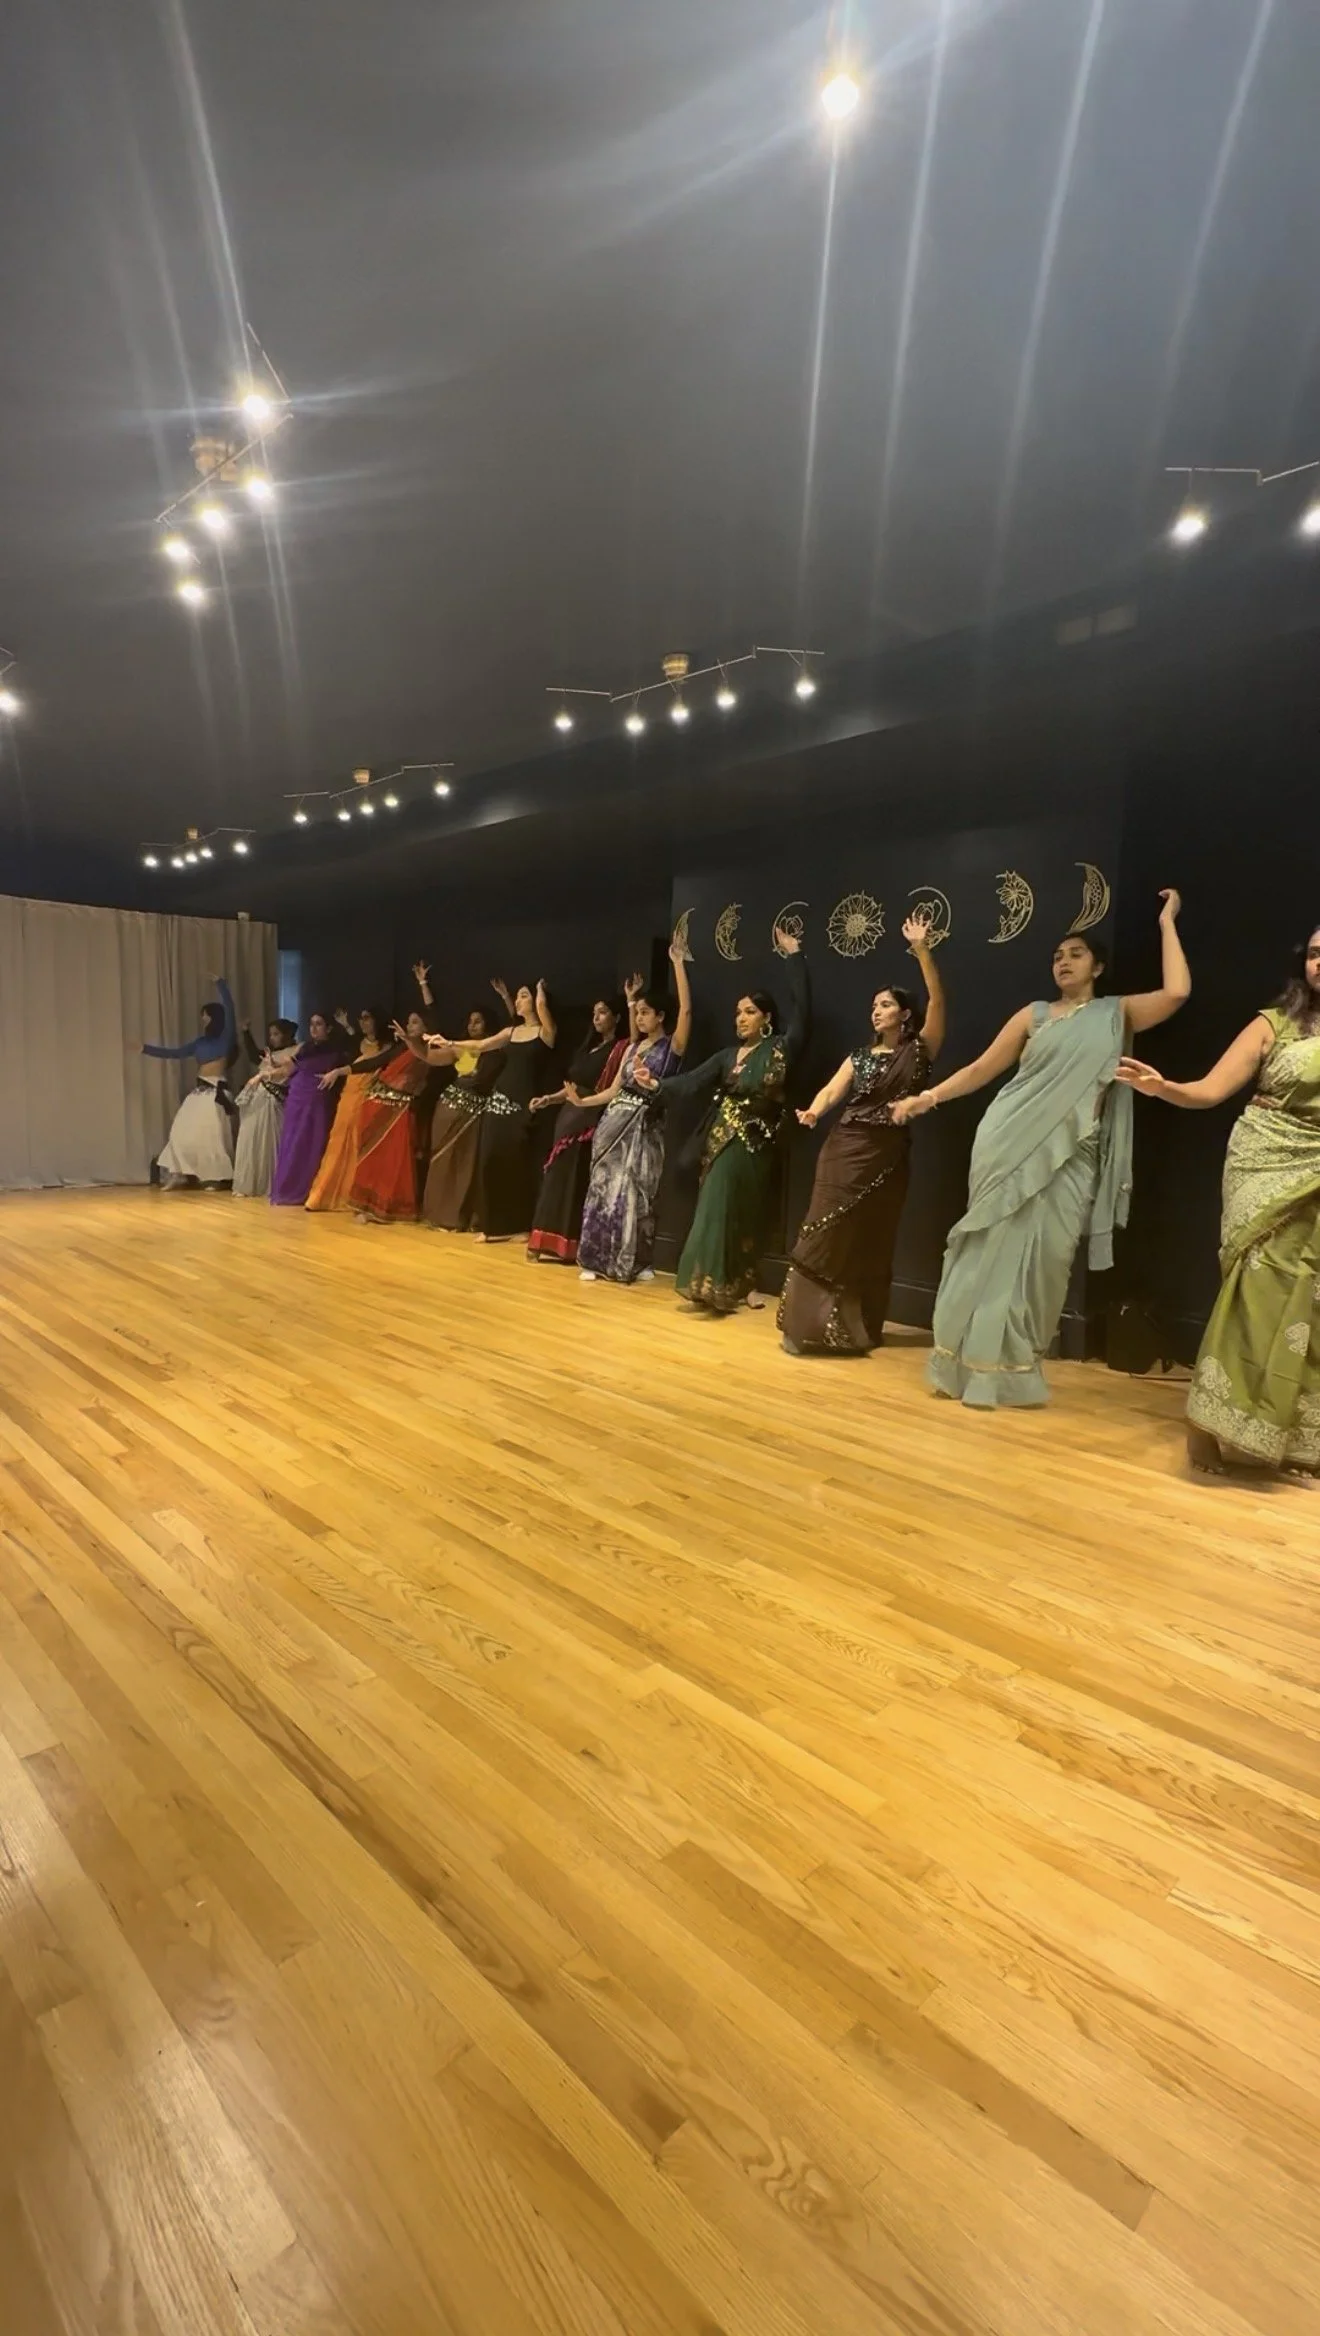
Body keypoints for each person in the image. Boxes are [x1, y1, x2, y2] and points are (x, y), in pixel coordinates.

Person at [891, 890, 1190, 1408]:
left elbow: (1177, 993)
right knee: (986, 1250)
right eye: (1057, 956)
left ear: (1098, 965)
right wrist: (929, 1096)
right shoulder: (1032, 1016)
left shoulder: (1115, 1013)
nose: (1064, 962)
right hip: (1007, 1140)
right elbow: (984, 1069)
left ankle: (1010, 1369)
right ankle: (965, 1366)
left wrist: (1167, 921)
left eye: (1075, 954)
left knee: (1047, 1262)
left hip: (1073, 1155)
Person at [1116, 921, 1320, 1475]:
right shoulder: (1273, 1024)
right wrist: (1166, 1088)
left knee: (1309, 1302)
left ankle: (1289, 1440)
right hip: (1266, 1162)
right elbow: (1211, 1089)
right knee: (1257, 1293)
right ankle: (1205, 1428)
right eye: (1316, 954)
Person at [779, 915, 945, 1354]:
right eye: (874, 1005)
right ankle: (805, 1324)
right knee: (823, 1227)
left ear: (905, 1014)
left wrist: (922, 952)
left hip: (888, 1155)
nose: (877, 1010)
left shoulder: (919, 1050)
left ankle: (858, 1327)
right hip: (845, 1146)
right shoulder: (860, 1055)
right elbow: (834, 1088)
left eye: (886, 1004)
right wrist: (814, 1111)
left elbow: (940, 1005)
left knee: (872, 1233)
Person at [636, 931, 809, 1314]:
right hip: (723, 1141)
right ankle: (706, 1285)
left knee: (746, 1213)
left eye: (749, 1011)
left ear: (766, 1017)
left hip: (760, 1144)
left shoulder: (780, 1048)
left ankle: (743, 1283)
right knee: (716, 1205)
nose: (741, 1018)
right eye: (737, 1012)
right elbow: (691, 1080)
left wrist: (794, 956)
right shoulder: (727, 1055)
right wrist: (656, 1083)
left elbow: (803, 1010)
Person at [576, 949, 693, 1284]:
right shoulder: (630, 1049)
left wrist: (677, 964)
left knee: (638, 1191)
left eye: (645, 1012)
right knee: (604, 1188)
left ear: (660, 1016)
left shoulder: (672, 1047)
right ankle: (596, 1259)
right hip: (614, 1123)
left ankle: (637, 1261)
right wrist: (583, 1103)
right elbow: (613, 1089)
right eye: (637, 1012)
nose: (639, 1018)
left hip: (645, 1125)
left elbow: (686, 1009)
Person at [526, 997, 628, 1263]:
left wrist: (629, 1001)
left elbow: (602, 1090)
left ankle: (567, 1246)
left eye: (603, 1012)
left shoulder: (620, 1048)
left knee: (572, 1180)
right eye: (594, 1013)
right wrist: (549, 1098)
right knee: (555, 1177)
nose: (596, 1018)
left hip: (588, 1117)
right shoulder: (590, 1048)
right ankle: (542, 1239)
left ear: (617, 1018)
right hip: (568, 1115)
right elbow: (572, 1087)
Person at [458, 982, 559, 1239]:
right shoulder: (511, 1031)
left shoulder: (545, 1032)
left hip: (522, 1104)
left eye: (523, 996)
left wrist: (538, 995)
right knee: (490, 1160)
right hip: (498, 1100)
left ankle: (518, 1226)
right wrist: (446, 1041)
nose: (518, 1000)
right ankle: (492, 1225)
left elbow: (542, 1011)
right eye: (517, 997)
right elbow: (480, 1046)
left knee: (517, 1164)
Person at [133, 974, 239, 1188]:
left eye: (205, 1016)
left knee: (212, 1137)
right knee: (181, 1132)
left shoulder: (225, 1038)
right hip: (199, 1092)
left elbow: (230, 1009)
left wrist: (220, 984)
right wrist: (146, 1049)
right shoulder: (200, 1042)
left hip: (216, 1092)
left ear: (213, 1018)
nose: (203, 1019)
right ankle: (178, 1173)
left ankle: (215, 1177)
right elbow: (175, 1053)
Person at [420, 988, 511, 1230]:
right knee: (442, 1161)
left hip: (473, 1116)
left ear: (488, 1024)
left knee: (463, 1167)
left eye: (478, 1021)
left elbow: (517, 1027)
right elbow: (430, 1057)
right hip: (447, 1110)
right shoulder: (462, 1049)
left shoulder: (498, 1052)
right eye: (470, 1021)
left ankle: (457, 1217)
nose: (473, 1025)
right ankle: (437, 1213)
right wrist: (411, 1041)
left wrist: (506, 998)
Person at [348, 1011, 434, 1223]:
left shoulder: (428, 1049)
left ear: (426, 1027)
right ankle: (368, 1205)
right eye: (409, 1022)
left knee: (394, 1160)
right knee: (372, 1157)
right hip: (377, 1106)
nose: (410, 1025)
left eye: (415, 1022)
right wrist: (342, 1071)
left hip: (400, 1110)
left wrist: (423, 984)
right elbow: (377, 1061)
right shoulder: (402, 1048)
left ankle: (387, 1207)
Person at [305, 1008, 393, 1212]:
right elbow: (354, 1056)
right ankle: (322, 1193)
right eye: (361, 1018)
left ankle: (353, 1194)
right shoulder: (356, 1043)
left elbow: (372, 1065)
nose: (363, 1022)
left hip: (367, 1097)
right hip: (348, 1095)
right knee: (338, 1142)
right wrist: (346, 1025)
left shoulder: (389, 1046)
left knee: (357, 1143)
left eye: (367, 1018)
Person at [270, 1012, 350, 1206]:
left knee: (312, 1142)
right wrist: (267, 1073)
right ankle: (287, 1189)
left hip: (317, 1099)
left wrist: (348, 1027)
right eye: (311, 1024)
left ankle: (309, 1191)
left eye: (319, 1024)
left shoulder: (336, 1049)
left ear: (329, 1028)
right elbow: (291, 1069)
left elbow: (353, 1059)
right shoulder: (306, 1047)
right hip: (297, 1098)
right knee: (292, 1142)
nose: (313, 1028)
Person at [232, 1019, 300, 1198]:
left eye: (276, 1034)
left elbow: (289, 1072)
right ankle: (250, 1182)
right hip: (259, 1096)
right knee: (251, 1138)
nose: (273, 1038)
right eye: (271, 1034)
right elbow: (254, 1055)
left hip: (273, 1099)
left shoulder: (295, 1051)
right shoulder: (270, 1053)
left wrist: (272, 1068)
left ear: (286, 1034)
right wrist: (246, 1032)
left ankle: (270, 1183)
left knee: (269, 1140)